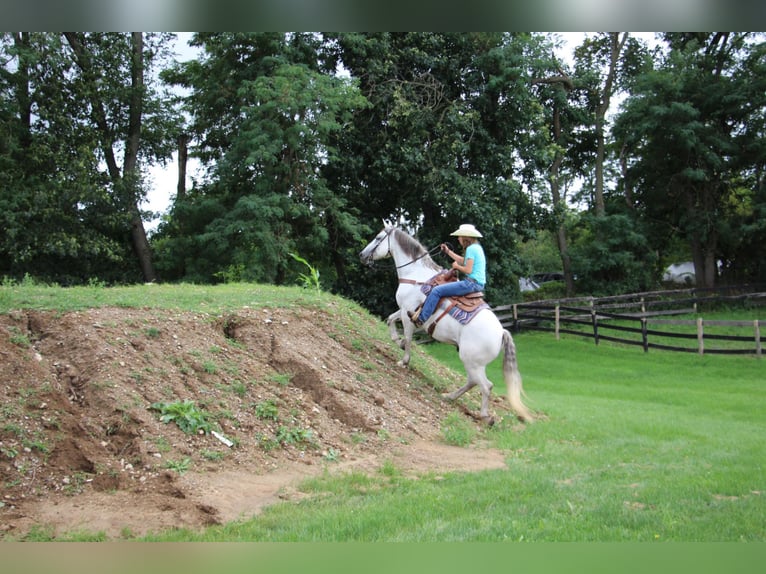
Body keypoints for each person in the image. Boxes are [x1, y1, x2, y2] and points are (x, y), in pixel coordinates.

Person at [408, 223, 486, 327]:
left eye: (459, 236)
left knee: (437, 291)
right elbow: (463, 261)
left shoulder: (471, 249)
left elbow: (468, 269)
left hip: (471, 284)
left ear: (465, 237)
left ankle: (421, 319)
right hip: (477, 283)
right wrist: (448, 251)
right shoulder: (476, 247)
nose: (458, 239)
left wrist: (456, 267)